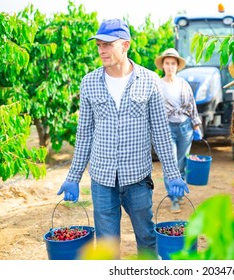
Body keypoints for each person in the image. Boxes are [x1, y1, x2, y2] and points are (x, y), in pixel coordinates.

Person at [56, 19, 189, 258]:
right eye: (98, 45)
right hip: (102, 179)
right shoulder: (89, 82)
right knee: (107, 246)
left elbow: (160, 131)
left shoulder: (149, 81)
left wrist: (172, 172)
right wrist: (73, 177)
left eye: (107, 44)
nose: (101, 50)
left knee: (147, 237)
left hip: (137, 178)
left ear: (125, 45)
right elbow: (85, 133)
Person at [154, 48, 202, 213]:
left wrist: (196, 126)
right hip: (167, 128)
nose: (170, 66)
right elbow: (153, 109)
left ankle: (179, 191)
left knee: (182, 163)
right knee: (171, 163)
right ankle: (173, 198)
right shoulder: (158, 85)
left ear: (177, 65)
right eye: (167, 63)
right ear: (163, 66)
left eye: (173, 63)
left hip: (185, 127)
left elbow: (191, 105)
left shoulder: (184, 84)